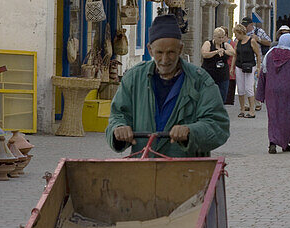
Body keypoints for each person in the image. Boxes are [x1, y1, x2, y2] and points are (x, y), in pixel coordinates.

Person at [107, 13, 229, 157]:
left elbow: (218, 126)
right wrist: (119, 128)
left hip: (187, 172)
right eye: (159, 52)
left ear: (181, 49)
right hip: (143, 169)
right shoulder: (134, 78)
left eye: (171, 52)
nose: (165, 59)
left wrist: (192, 131)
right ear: (150, 49)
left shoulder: (200, 81)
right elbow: (118, 115)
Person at [256, 32, 290, 153]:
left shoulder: (269, 55)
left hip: (271, 91)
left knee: (273, 116)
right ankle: (285, 143)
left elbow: (263, 73)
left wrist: (261, 92)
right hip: (288, 91)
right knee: (288, 117)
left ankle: (273, 142)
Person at [232, 23, 261, 118]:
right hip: (239, 66)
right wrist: (232, 67)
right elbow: (235, 55)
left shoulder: (251, 41)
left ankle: (252, 110)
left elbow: (258, 54)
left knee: (249, 88)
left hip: (249, 66)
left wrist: (258, 67)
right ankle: (242, 109)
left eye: (236, 33)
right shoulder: (238, 42)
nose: (235, 36)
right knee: (240, 88)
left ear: (240, 33)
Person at [200, 26, 235, 104]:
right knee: (208, 98)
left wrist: (224, 51)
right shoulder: (208, 43)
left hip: (222, 76)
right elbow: (204, 54)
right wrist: (216, 52)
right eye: (219, 37)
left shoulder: (225, 45)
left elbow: (232, 52)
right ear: (214, 37)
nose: (221, 40)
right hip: (209, 75)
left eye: (222, 37)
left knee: (222, 98)